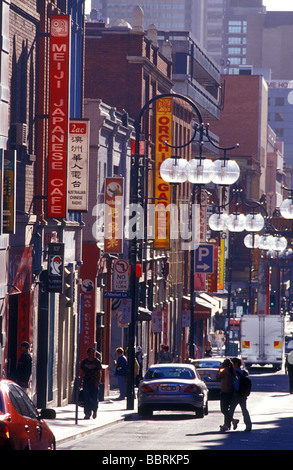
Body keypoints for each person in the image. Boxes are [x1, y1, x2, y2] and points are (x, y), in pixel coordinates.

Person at [229, 357, 252, 432]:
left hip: (236, 394)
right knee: (244, 410)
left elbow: (235, 384)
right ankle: (248, 425)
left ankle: (228, 424)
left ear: (235, 364)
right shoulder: (245, 372)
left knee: (231, 410)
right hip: (243, 394)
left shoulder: (233, 372)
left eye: (232, 363)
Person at [80, 347, 102, 419]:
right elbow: (82, 372)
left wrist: (97, 382)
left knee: (94, 399)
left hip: (94, 382)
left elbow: (99, 373)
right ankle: (87, 413)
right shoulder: (84, 362)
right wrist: (80, 382)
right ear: (88, 353)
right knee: (86, 398)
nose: (92, 354)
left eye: (93, 352)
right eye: (91, 352)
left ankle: (94, 410)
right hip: (86, 382)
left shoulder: (97, 362)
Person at [216, 358, 235, 431]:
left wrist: (219, 369)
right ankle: (226, 425)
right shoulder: (233, 371)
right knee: (227, 409)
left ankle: (233, 420)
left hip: (225, 392)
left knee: (224, 409)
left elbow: (217, 377)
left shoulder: (225, 371)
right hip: (231, 392)